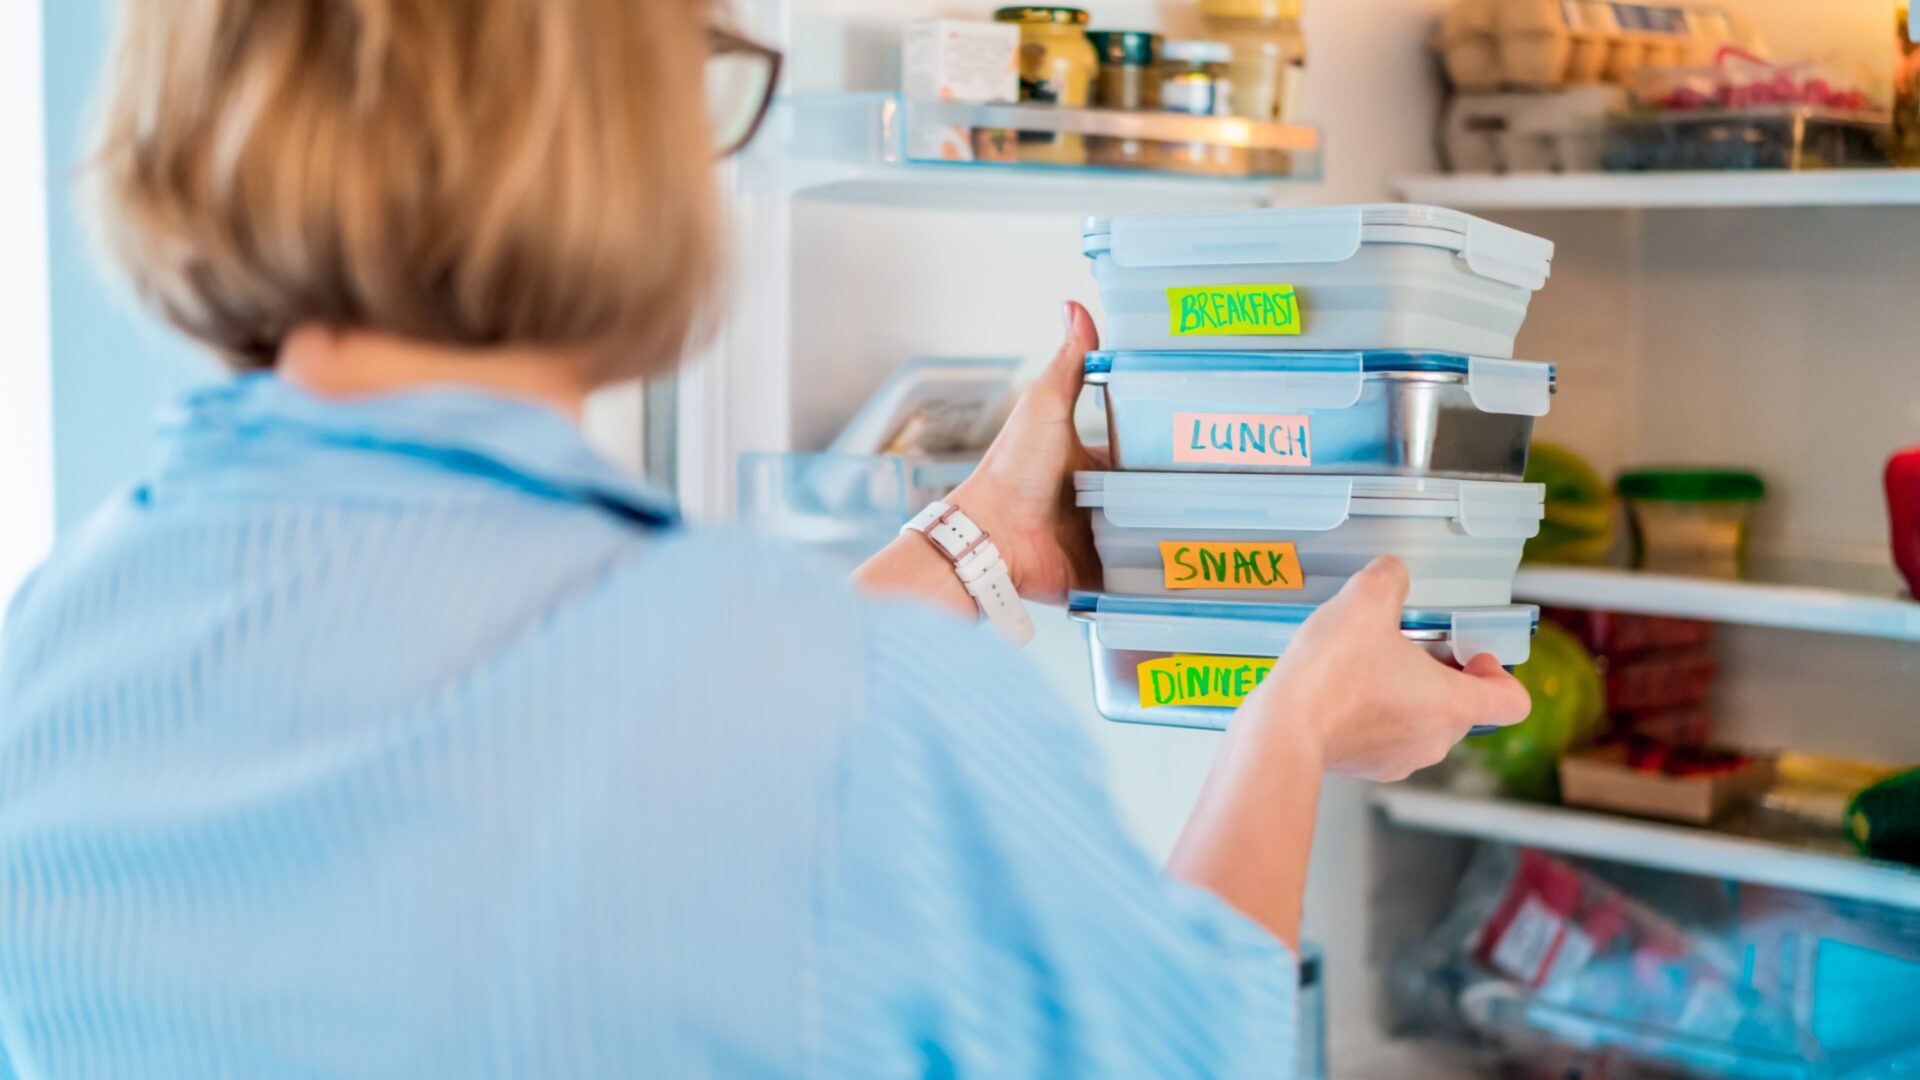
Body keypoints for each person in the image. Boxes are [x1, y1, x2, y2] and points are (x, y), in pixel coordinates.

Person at [0, 2, 1531, 1077]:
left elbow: (612, 730)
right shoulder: (845, 719)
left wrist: (985, 541)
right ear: (617, 134)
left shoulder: (58, 643)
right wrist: (1292, 725)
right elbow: (1188, 1052)